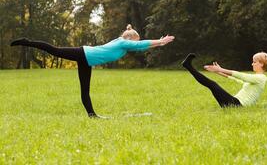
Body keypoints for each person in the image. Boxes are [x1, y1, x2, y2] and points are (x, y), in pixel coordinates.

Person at [10, 24, 175, 118]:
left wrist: (158, 43)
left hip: (87, 60)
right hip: (83, 53)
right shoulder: (123, 43)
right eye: (135, 40)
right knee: (55, 50)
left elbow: (139, 45)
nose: (135, 44)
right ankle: (27, 42)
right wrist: (160, 42)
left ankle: (92, 115)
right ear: (131, 38)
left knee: (85, 89)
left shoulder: (121, 40)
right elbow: (140, 45)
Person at [182, 52, 267, 107]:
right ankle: (188, 66)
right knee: (211, 85)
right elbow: (235, 78)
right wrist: (217, 71)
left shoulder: (262, 78)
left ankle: (188, 66)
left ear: (261, 64)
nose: (252, 64)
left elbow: (241, 76)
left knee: (212, 85)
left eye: (254, 62)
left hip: (237, 105)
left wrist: (220, 69)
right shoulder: (255, 80)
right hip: (234, 103)